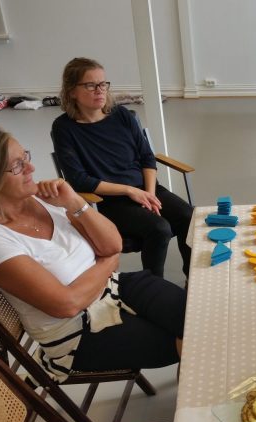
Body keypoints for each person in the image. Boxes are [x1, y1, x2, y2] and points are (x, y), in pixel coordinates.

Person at [0, 125, 185, 381]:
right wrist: (108, 263)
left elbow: (112, 245)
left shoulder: (42, 198)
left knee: (197, 315)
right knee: (184, 340)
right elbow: (68, 304)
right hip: (78, 332)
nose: (31, 168)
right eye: (17, 166)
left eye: (25, 157)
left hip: (114, 288)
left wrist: (74, 202)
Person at [52, 57, 192, 279]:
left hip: (145, 189)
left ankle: (192, 277)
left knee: (188, 215)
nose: (100, 90)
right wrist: (129, 191)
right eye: (90, 85)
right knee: (159, 228)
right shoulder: (64, 128)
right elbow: (78, 179)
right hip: (108, 202)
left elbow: (147, 157)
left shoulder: (122, 116)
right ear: (71, 92)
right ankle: (153, 287)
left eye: (103, 84)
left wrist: (149, 193)